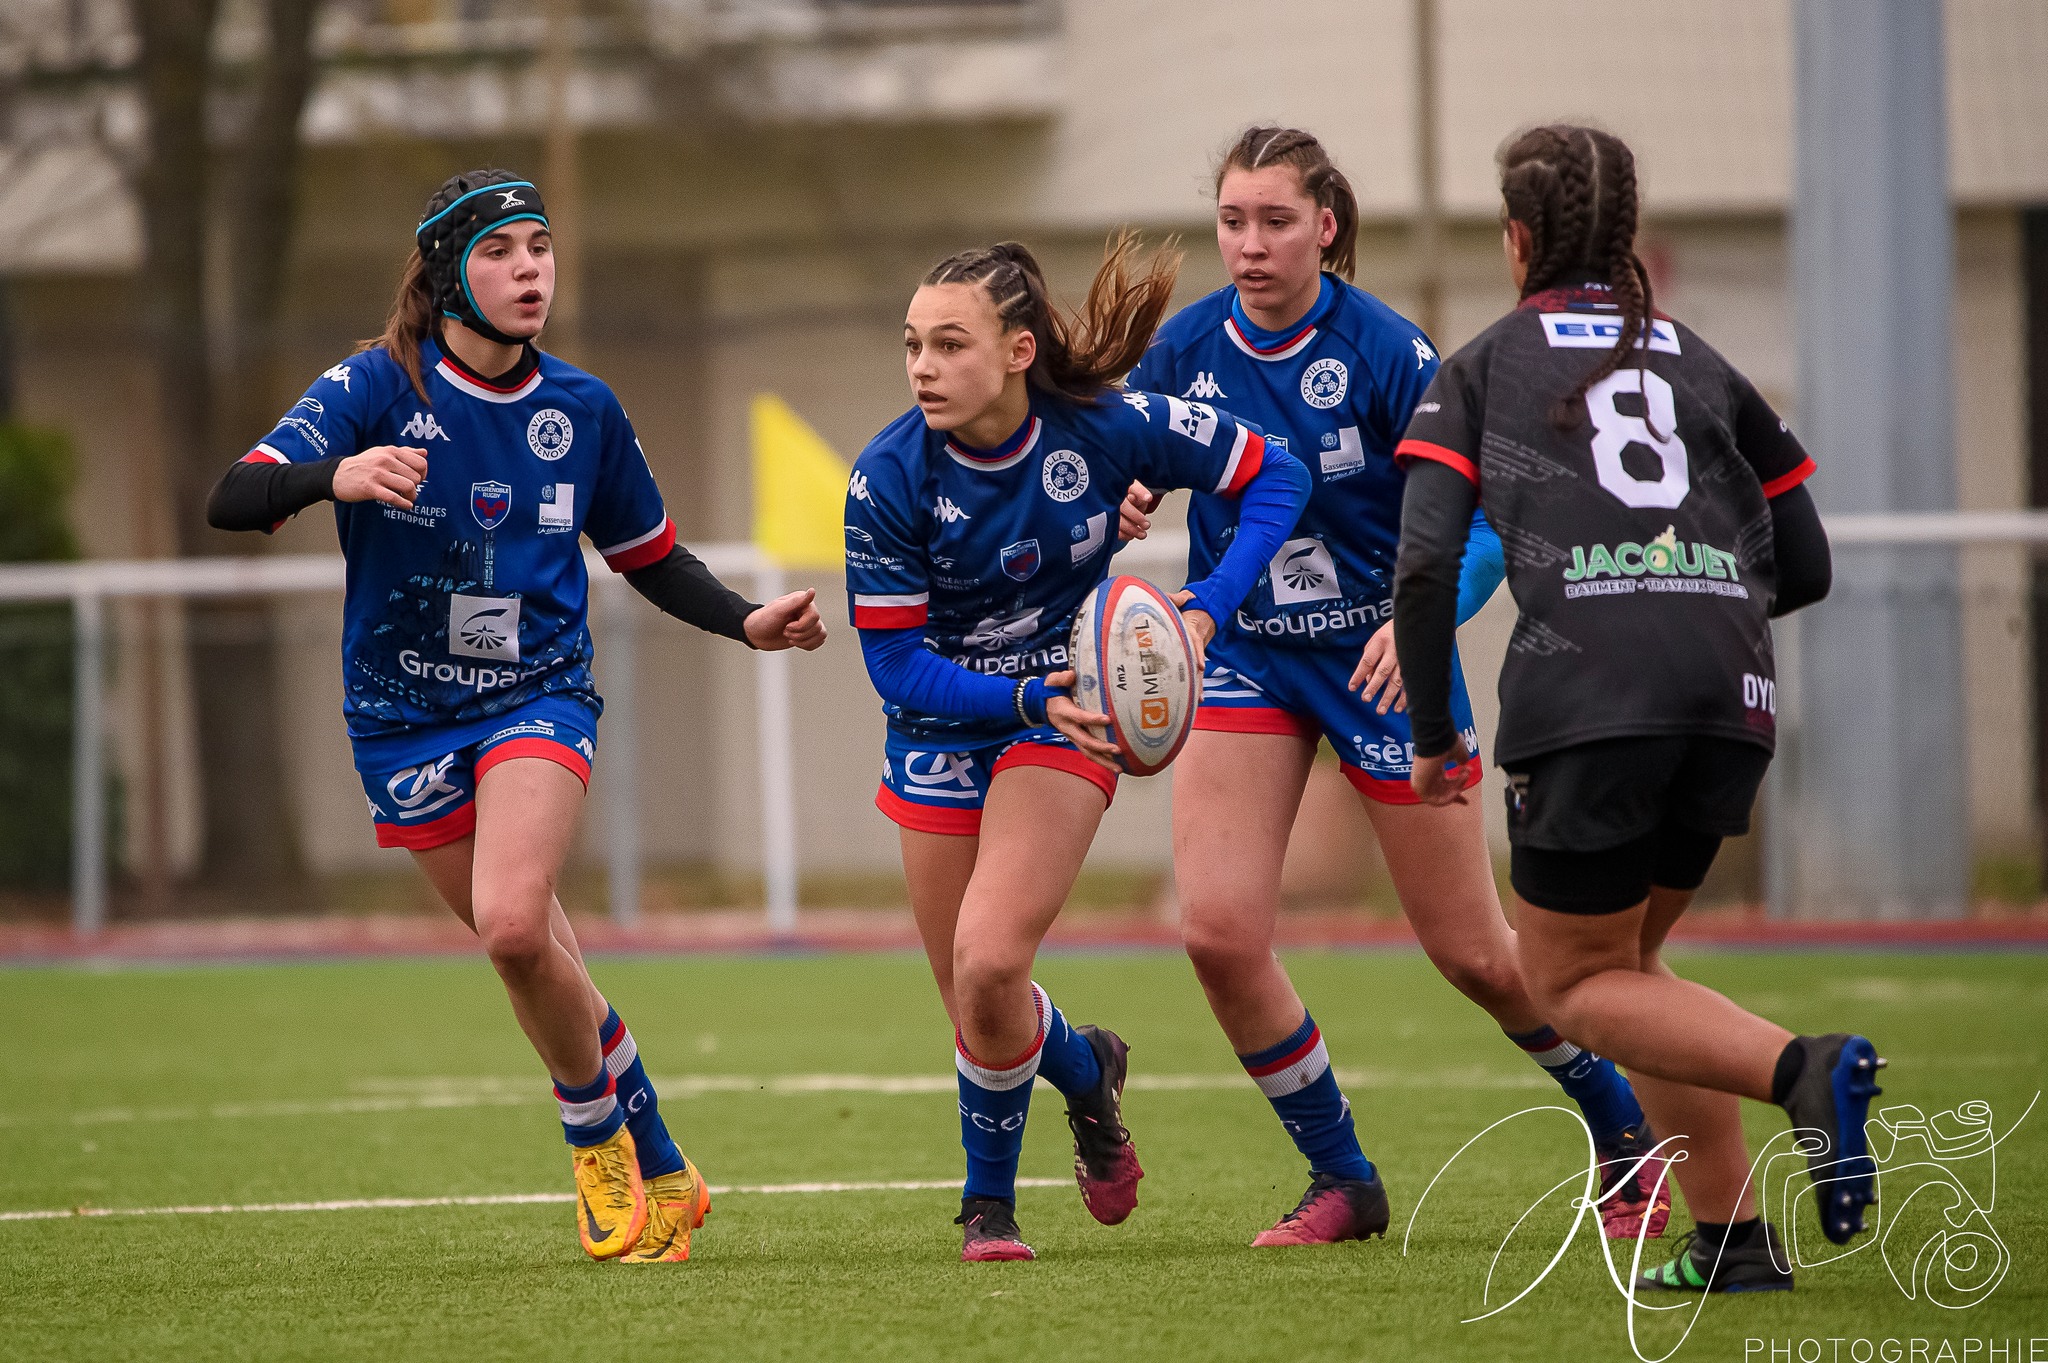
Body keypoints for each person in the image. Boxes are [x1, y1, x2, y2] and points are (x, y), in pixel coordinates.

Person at [206, 169, 826, 1265]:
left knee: (508, 921)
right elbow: (233, 495)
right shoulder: (372, 386)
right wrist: (334, 474)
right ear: (450, 275)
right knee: (539, 954)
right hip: (399, 718)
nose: (530, 267)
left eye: (540, 246)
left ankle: (593, 1142)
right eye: (501, 251)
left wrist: (746, 622)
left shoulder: (580, 410)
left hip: (536, 694)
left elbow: (651, 559)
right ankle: (668, 1163)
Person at [1117, 125, 1666, 1247]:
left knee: (1473, 953)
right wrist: (1125, 504)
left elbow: (1479, 526)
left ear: (1326, 224)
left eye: (1275, 221)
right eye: (1232, 222)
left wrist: (1414, 626)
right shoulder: (1182, 352)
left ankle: (1625, 1136)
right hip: (1250, 657)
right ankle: (1343, 1180)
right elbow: (1128, 468)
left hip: (1380, 664)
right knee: (1217, 932)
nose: (1251, 245)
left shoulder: (1388, 354)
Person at [1394, 124, 1882, 1294]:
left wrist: (1430, 740)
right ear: (1623, 236)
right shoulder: (1700, 361)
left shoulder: (1480, 366)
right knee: (1631, 964)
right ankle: (1729, 1238)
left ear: (1516, 239)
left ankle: (1799, 1069)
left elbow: (1418, 573)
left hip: (1590, 695)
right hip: (1729, 689)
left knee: (1564, 980)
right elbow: (1804, 561)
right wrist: (1685, 596)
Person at [845, 235, 1312, 1262]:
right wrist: (1017, 697)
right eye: (912, 344)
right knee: (979, 1000)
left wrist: (1207, 608)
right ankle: (1087, 1070)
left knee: (989, 956)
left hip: (1071, 714)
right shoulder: (884, 478)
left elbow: (1275, 472)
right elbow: (895, 669)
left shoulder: (1108, 426)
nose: (922, 366)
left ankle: (986, 1211)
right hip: (948, 723)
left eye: (949, 344)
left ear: (1017, 351)